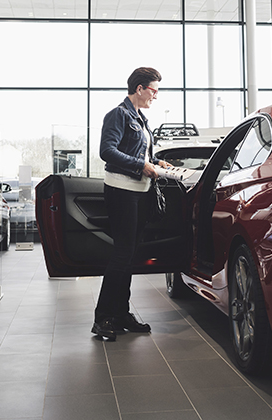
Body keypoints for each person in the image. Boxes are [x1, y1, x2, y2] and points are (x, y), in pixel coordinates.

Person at [92, 67, 172, 341]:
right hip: (122, 191)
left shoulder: (142, 119)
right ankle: (103, 318)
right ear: (140, 89)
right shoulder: (118, 114)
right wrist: (142, 165)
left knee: (130, 257)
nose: (156, 96)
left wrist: (157, 162)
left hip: (141, 192)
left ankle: (121, 314)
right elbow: (107, 151)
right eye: (154, 90)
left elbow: (142, 151)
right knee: (122, 255)